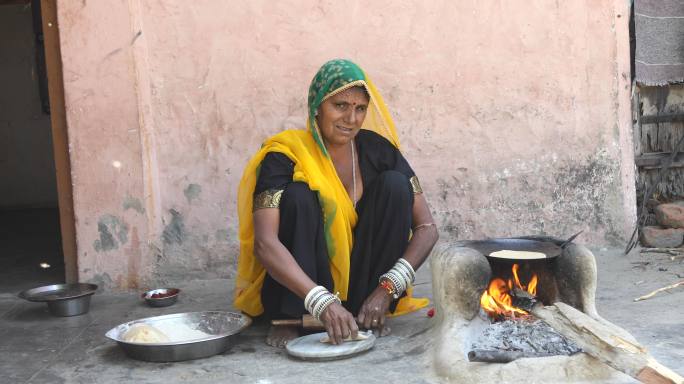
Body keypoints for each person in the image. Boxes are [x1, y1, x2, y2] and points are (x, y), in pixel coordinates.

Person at [234, 59, 439, 347]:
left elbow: (427, 227)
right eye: (340, 106)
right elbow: (265, 243)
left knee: (395, 185)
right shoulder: (284, 156)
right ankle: (292, 316)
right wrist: (322, 303)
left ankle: (367, 311)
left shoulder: (379, 151)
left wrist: (386, 290)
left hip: (365, 289)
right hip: (303, 291)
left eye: (360, 109)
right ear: (317, 106)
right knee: (298, 196)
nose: (351, 119)